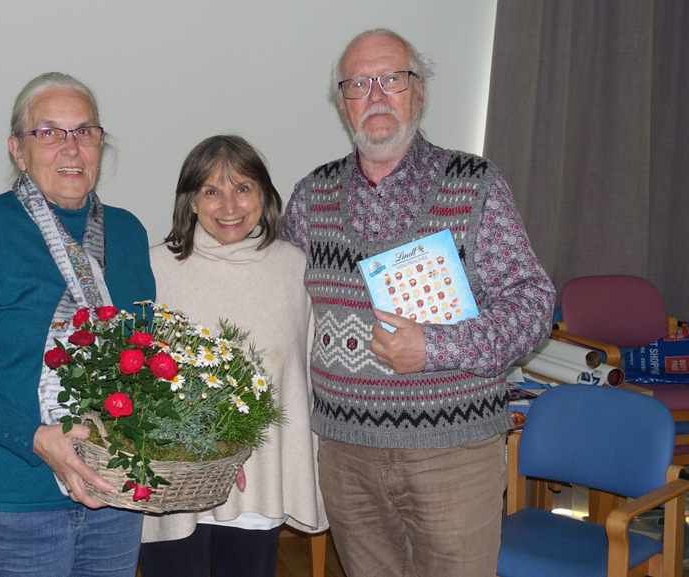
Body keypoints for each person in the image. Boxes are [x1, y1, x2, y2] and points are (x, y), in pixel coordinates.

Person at [279, 30, 556, 577]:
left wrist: (434, 347)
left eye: (392, 79)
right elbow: (280, 302)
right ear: (342, 103)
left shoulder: (474, 185)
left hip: (451, 455)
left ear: (419, 92)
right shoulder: (312, 195)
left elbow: (533, 306)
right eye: (359, 84)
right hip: (345, 455)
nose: (376, 95)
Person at [0, 71, 155, 577]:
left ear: (100, 145)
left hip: (112, 495)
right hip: (10, 503)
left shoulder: (129, 233)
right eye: (48, 132)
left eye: (84, 131)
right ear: (18, 150)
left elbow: (142, 361)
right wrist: (36, 436)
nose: (70, 148)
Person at [139, 135, 327, 577]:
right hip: (176, 481)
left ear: (263, 195)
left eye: (243, 188)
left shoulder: (294, 269)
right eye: (211, 191)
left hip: (261, 481)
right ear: (191, 202)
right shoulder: (155, 269)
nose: (229, 206)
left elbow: (305, 378)